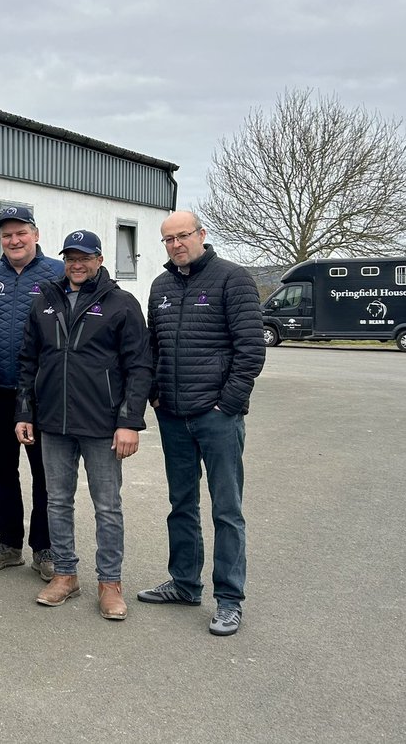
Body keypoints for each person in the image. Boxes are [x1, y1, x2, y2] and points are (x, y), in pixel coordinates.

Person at [138, 211, 264, 637]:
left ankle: (229, 599)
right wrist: (155, 393)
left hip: (217, 419)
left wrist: (226, 404)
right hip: (172, 415)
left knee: (226, 510)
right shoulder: (161, 286)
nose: (176, 244)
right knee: (182, 504)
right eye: (168, 239)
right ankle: (185, 583)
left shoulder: (234, 279)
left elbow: (250, 351)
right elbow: (153, 346)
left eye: (183, 236)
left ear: (202, 235)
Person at [15, 230, 151, 618]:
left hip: (103, 425)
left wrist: (129, 422)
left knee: (107, 506)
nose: (77, 264)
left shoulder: (121, 304)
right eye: (71, 257)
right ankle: (65, 574)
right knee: (56, 501)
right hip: (53, 421)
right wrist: (24, 412)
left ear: (100, 260)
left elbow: (139, 367)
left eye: (85, 257)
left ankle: (110, 583)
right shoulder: (45, 300)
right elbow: (28, 361)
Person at [0, 206, 64, 579]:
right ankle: (8, 542)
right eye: (7, 235)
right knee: (1, 470)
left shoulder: (57, 273)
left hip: (44, 394)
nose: (14, 240)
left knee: (45, 472)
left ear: (36, 234)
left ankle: (45, 547)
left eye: (20, 232)